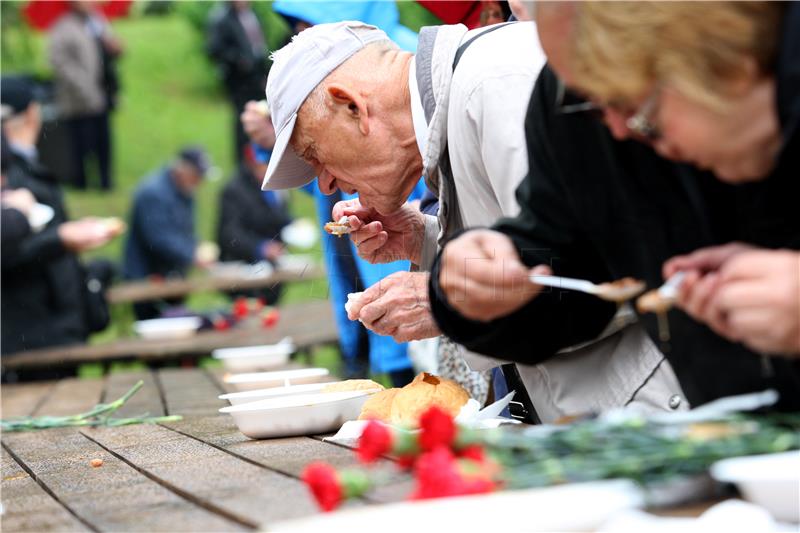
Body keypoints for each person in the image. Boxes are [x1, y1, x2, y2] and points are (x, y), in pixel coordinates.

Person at [259, 20, 684, 418]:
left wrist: (444, 302)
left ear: (352, 105)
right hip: (619, 416)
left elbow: (606, 268)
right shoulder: (465, 98)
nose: (327, 184)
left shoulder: (495, 87)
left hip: (664, 419)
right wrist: (423, 240)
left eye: (315, 157)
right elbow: (540, 247)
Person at [429, 2, 800, 411]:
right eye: (590, 98)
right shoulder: (572, 106)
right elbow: (563, 266)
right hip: (750, 446)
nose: (618, 128)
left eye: (636, 105)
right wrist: (476, 283)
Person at [1, 77, 118, 360]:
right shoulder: (12, 174)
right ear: (33, 112)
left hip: (51, 319)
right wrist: (61, 238)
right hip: (32, 328)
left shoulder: (25, 164)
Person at [123, 147, 213, 320]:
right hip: (146, 277)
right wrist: (192, 254)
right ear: (182, 169)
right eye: (197, 175)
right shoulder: (152, 193)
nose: (199, 181)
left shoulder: (186, 190)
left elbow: (185, 229)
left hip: (172, 276)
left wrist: (196, 245)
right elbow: (158, 238)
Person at [49, 0, 122, 190]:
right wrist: (83, 86)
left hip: (102, 92)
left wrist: (115, 48)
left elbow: (105, 53)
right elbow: (59, 62)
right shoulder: (63, 27)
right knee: (81, 142)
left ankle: (106, 181)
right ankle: (81, 182)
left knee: (103, 141)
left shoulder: (98, 23)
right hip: (78, 98)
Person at [218, 144, 292, 305]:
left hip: (273, 268)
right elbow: (229, 233)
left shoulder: (276, 185)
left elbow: (279, 217)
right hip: (242, 268)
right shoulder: (234, 190)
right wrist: (261, 247)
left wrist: (292, 226)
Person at [207, 0, 269, 162]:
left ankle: (260, 157)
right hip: (239, 80)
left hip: (257, 76)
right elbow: (214, 49)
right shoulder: (222, 18)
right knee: (243, 121)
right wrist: (239, 61)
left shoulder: (252, 15)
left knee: (261, 115)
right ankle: (243, 162)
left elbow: (258, 44)